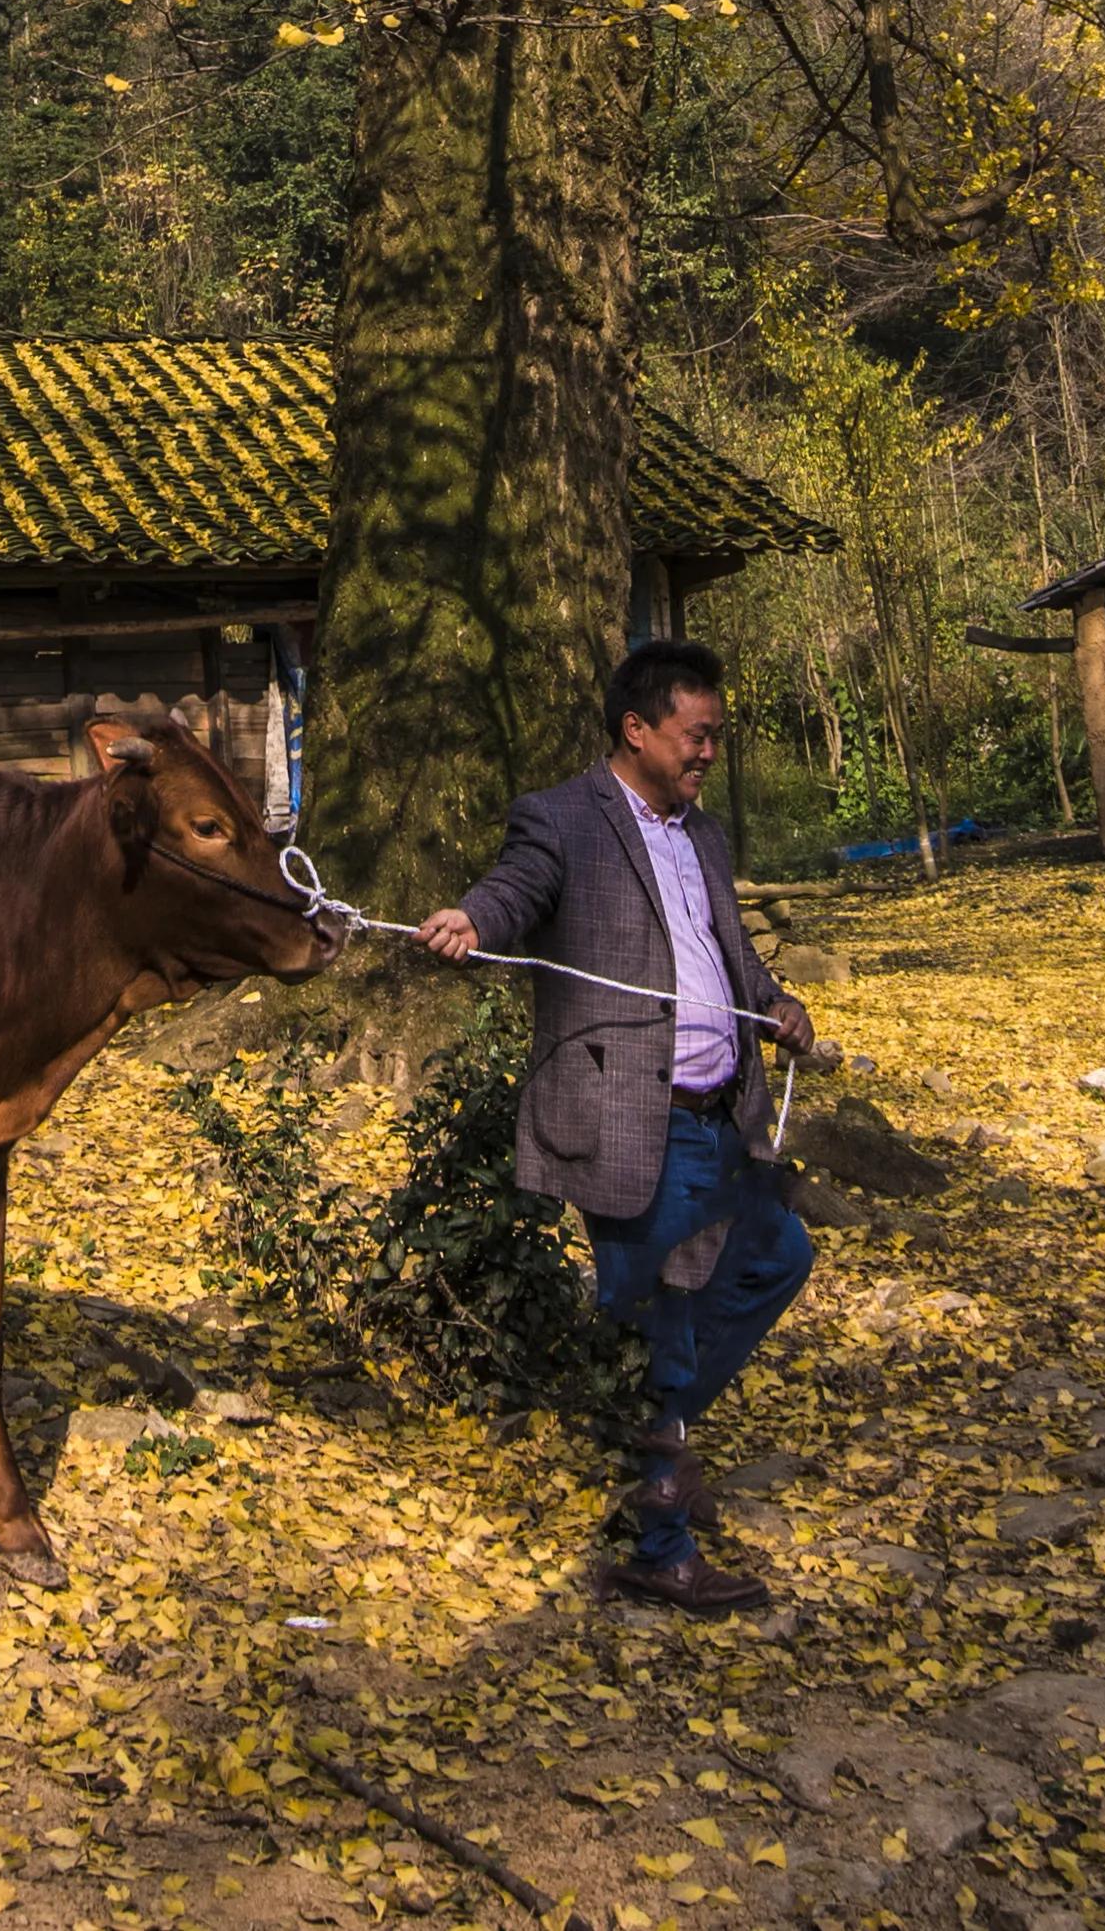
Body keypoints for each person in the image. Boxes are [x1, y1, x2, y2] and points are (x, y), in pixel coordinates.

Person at [416, 636, 816, 1611]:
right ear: (635, 730)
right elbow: (515, 889)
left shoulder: (702, 833)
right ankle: (656, 1547)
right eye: (696, 734)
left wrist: (778, 1004)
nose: (709, 751)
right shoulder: (562, 819)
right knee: (654, 1330)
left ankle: (646, 1454)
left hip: (727, 1115)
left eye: (716, 735)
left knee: (777, 1257)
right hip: (633, 1118)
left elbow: (725, 951)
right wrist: (472, 921)